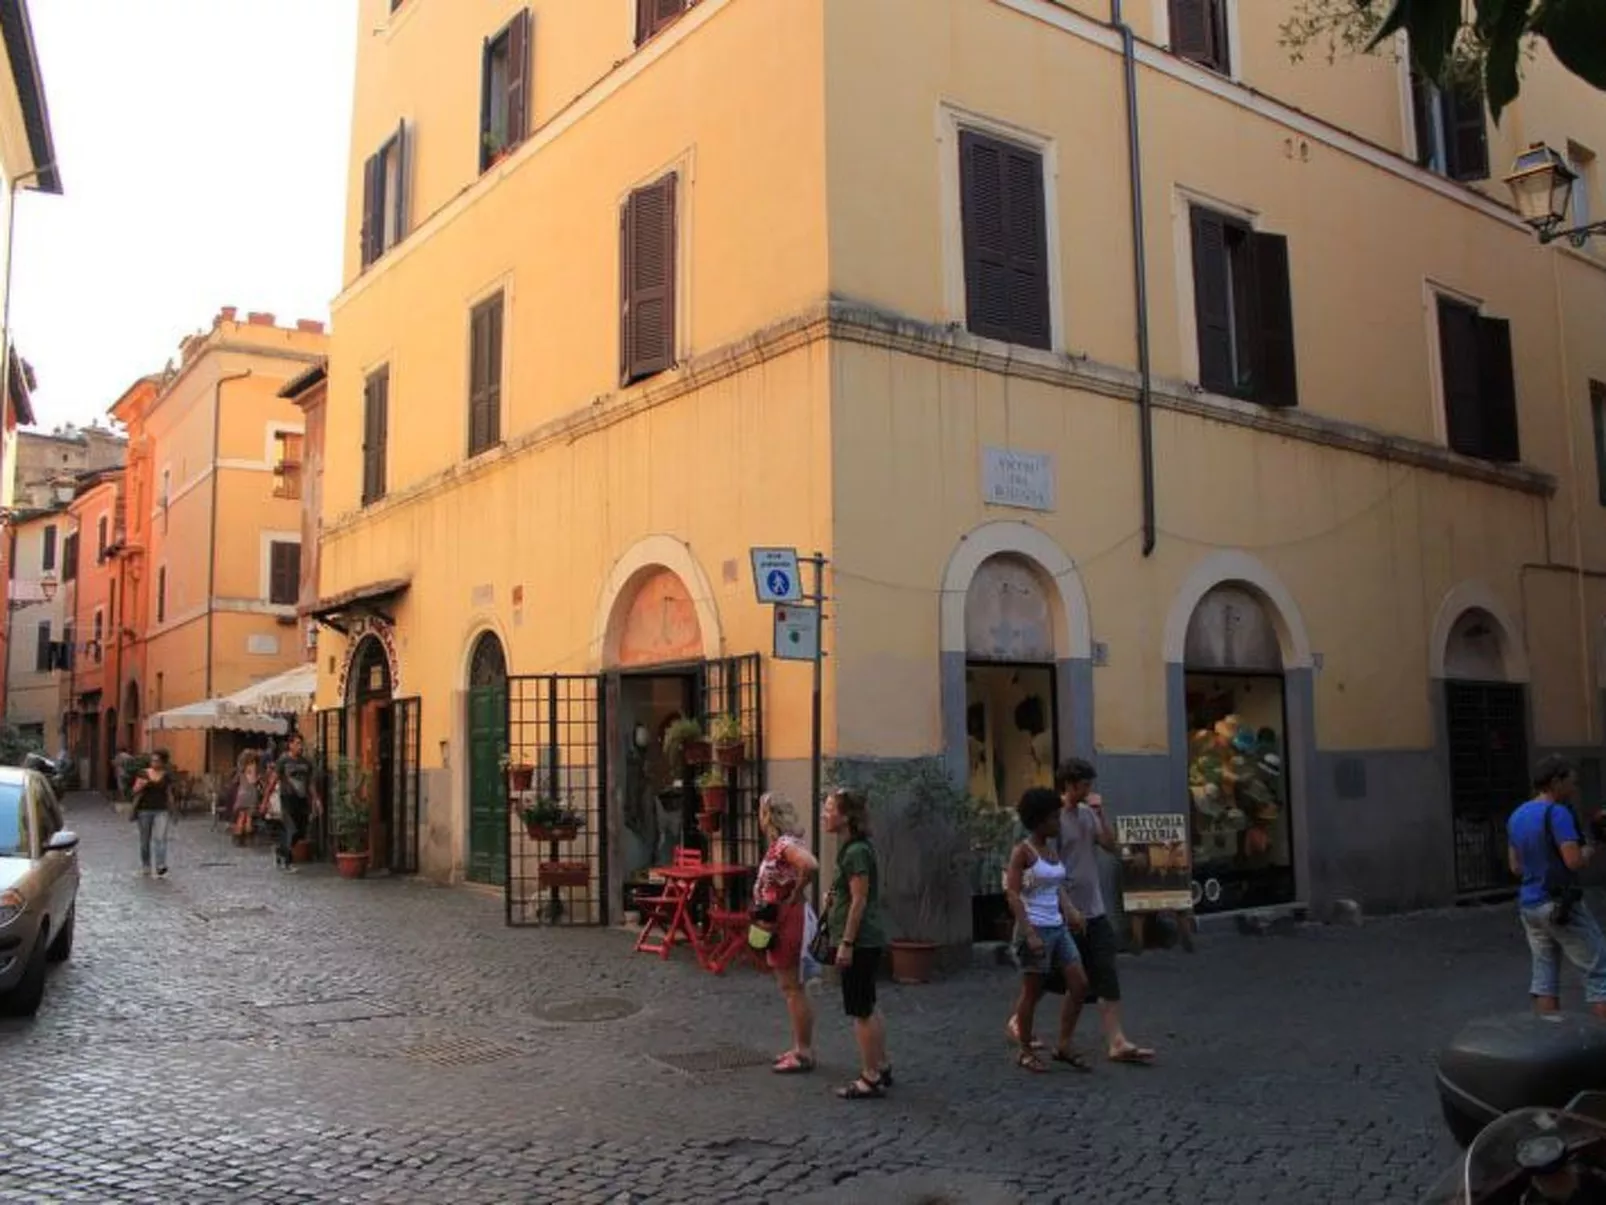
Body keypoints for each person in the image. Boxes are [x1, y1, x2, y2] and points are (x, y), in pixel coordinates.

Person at [1053, 757, 1156, 1064]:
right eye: (1084, 785)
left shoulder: (1087, 813)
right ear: (1070, 785)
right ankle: (1027, 1023)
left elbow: (1108, 844)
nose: (1088, 790)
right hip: (1067, 911)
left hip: (1094, 909)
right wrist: (1064, 907)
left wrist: (1102, 814)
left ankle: (1116, 1040)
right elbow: (1049, 866)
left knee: (1106, 970)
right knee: (1054, 979)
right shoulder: (1055, 819)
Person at [1507, 756, 1606, 1019]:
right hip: (1560, 904)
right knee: (1599, 971)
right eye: (1570, 782)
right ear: (1555, 782)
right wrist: (1590, 848)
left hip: (1530, 906)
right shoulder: (1558, 813)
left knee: (1545, 976)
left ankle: (1548, 1040)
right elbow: (1573, 861)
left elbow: (1515, 867)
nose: (1574, 788)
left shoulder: (1517, 815)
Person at [1004, 786, 1090, 1072]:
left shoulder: (1050, 851)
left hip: (1057, 926)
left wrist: (1071, 911)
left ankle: (1064, 1044)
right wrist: (1028, 933)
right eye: (1053, 818)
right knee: (1032, 991)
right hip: (1036, 927)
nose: (1058, 822)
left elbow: (1056, 887)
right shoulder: (1023, 853)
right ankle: (1025, 1050)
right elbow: (1013, 894)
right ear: (1039, 820)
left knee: (1079, 984)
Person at [822, 788, 892, 1100]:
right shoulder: (854, 849)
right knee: (869, 1005)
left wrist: (846, 942)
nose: (825, 814)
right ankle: (882, 1065)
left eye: (829, 808)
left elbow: (860, 899)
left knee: (861, 1010)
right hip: (864, 938)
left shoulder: (856, 852)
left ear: (846, 816)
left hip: (860, 939)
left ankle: (870, 1076)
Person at [755, 792, 820, 1075]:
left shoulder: (784, 844)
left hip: (787, 918)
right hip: (783, 916)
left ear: (767, 816)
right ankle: (799, 1047)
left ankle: (803, 1052)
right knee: (792, 988)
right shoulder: (786, 843)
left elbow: (810, 865)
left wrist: (796, 891)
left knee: (793, 989)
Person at [267, 733, 320, 872]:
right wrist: (265, 800)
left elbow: (310, 784)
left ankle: (280, 851)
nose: (299, 746)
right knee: (291, 829)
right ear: (290, 745)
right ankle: (288, 862)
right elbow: (274, 780)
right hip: (287, 798)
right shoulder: (283, 760)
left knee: (301, 831)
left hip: (301, 799)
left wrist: (316, 799)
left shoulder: (306, 762)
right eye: (296, 743)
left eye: (300, 743)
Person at [130, 750, 178, 879]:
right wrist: (141, 785)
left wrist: (173, 810)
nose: (154, 763)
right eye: (152, 760)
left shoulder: (166, 776)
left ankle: (160, 866)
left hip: (161, 810)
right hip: (144, 810)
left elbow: (169, 794)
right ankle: (146, 865)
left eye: (157, 760)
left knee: (161, 838)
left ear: (163, 762)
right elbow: (134, 790)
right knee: (145, 840)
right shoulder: (143, 773)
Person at [229, 750, 266, 845]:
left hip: (241, 793)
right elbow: (252, 781)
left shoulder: (241, 768)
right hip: (250, 793)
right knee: (249, 817)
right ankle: (248, 840)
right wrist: (259, 778)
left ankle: (238, 839)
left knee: (241, 817)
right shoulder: (252, 766)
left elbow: (235, 781)